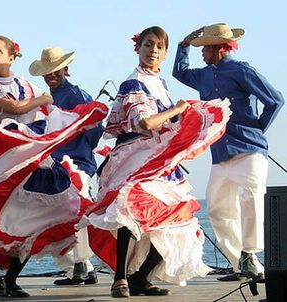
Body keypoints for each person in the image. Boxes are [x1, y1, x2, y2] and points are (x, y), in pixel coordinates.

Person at [0, 35, 107, 298]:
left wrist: (81, 118)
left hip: (28, 161)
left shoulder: (27, 86)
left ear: (11, 57)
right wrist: (42, 100)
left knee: (30, 219)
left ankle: (10, 279)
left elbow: (52, 116)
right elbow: (13, 109)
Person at [81, 26, 228, 298]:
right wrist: (179, 110)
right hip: (134, 156)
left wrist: (188, 117)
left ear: (164, 54)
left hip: (158, 160)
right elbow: (144, 122)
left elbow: (167, 122)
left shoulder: (159, 83)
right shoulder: (133, 82)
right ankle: (120, 279)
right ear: (138, 48)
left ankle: (138, 277)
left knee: (175, 222)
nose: (153, 51)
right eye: (148, 45)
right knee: (129, 208)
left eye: (159, 47)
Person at [173, 23, 285, 281]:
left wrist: (257, 128)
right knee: (216, 208)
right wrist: (184, 46)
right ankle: (243, 264)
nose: (202, 53)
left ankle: (250, 251)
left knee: (252, 196)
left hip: (249, 150)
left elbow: (275, 99)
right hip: (221, 154)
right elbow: (180, 72)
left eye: (204, 48)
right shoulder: (203, 74)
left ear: (217, 47)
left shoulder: (241, 70)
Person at [29, 47, 103, 285]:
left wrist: (82, 148)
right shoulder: (46, 98)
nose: (51, 75)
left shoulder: (75, 94)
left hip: (77, 162)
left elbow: (96, 126)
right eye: (47, 71)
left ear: (65, 70)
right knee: (57, 213)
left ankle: (80, 264)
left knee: (75, 210)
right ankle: (81, 268)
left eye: (55, 70)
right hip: (57, 163)